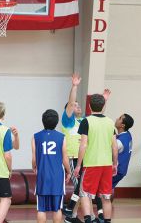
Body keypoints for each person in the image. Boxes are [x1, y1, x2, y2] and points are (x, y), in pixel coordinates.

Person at [62, 74, 110, 223]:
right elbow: (70, 103)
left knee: (84, 190)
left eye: (79, 104)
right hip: (72, 157)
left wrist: (104, 101)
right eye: (75, 105)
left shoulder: (84, 121)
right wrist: (75, 86)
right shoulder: (68, 121)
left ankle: (72, 215)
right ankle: (74, 212)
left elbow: (98, 113)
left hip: (85, 158)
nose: (78, 106)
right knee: (80, 189)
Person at [73, 94, 118, 223]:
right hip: (106, 165)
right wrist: (115, 163)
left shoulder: (86, 121)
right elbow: (114, 147)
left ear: (89, 106)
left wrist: (78, 165)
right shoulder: (110, 122)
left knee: (85, 194)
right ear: (103, 106)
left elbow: (83, 145)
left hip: (91, 164)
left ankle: (88, 220)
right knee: (106, 197)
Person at [32, 109, 72, 223]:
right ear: (57, 122)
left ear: (43, 121)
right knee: (57, 209)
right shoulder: (62, 137)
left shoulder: (35, 137)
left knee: (41, 209)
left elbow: (34, 159)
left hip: (43, 176)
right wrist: (69, 171)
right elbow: (65, 158)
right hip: (57, 177)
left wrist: (34, 166)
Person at [95, 113, 134, 222]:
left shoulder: (120, 141)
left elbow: (110, 150)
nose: (117, 118)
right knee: (105, 192)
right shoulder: (127, 135)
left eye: (120, 118)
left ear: (122, 125)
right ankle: (103, 216)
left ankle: (103, 217)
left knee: (102, 192)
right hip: (121, 170)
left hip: (116, 170)